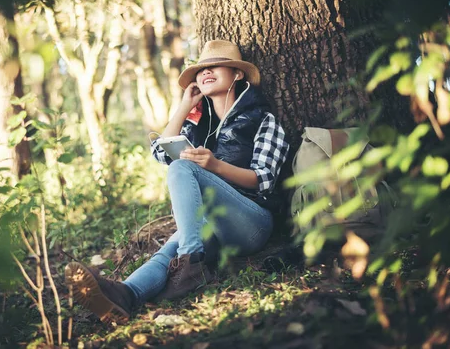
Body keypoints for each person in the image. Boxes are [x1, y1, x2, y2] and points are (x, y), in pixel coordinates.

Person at [65, 40, 290, 323]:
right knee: (169, 248)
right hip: (212, 225)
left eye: (215, 66)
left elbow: (264, 180)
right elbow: (161, 153)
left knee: (183, 170)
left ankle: (191, 261)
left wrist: (216, 166)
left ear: (238, 74)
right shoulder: (199, 122)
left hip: (252, 223)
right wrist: (185, 106)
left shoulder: (262, 119)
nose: (206, 72)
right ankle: (126, 295)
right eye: (201, 69)